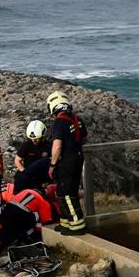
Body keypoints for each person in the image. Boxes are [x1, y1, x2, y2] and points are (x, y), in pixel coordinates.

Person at [46, 92, 87, 234]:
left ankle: (77, 225)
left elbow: (57, 146)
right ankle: (65, 223)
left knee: (66, 194)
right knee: (65, 192)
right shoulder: (77, 119)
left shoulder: (59, 122)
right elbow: (84, 138)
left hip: (66, 162)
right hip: (78, 158)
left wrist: (52, 164)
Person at [14, 120, 51, 192]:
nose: (34, 140)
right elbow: (17, 161)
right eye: (32, 139)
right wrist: (26, 174)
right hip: (28, 175)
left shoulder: (48, 146)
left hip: (42, 178)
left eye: (36, 138)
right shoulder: (26, 145)